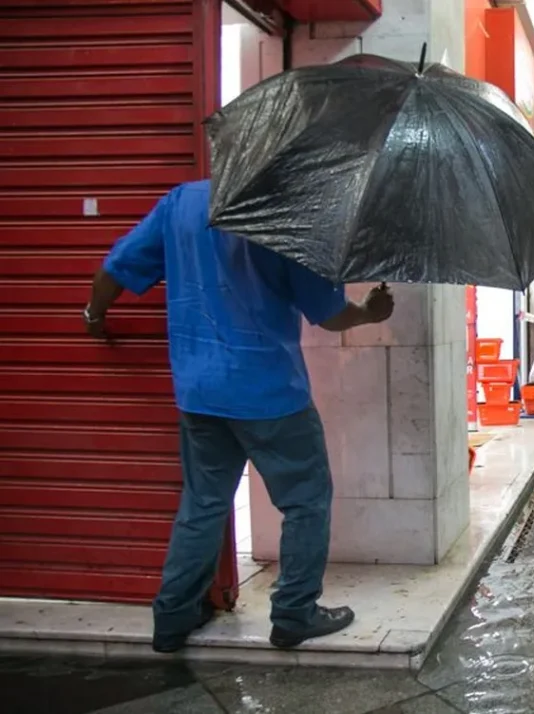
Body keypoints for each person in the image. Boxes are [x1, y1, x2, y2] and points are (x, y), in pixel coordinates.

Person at [82, 180, 395, 654]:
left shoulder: (183, 202)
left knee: (203, 503)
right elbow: (329, 316)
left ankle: (171, 618)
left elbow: (114, 269)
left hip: (199, 392)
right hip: (271, 394)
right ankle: (294, 614)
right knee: (305, 501)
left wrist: (94, 316)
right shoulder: (290, 212)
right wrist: (371, 313)